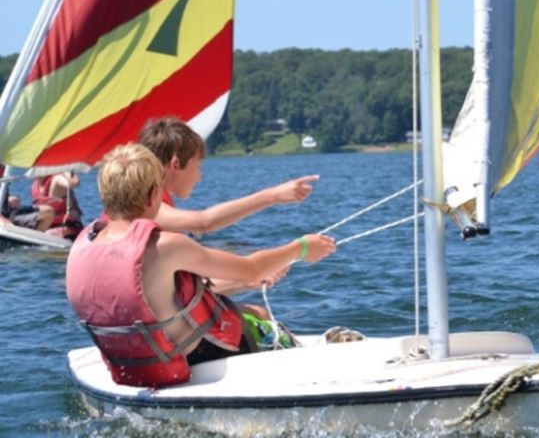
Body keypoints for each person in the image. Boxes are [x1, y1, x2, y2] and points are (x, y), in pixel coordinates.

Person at [66, 143, 336, 389]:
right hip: (196, 355)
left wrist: (250, 280)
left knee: (249, 310)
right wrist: (301, 248)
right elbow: (252, 268)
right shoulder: (165, 246)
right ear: (152, 196)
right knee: (258, 319)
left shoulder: (83, 244)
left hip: (132, 363)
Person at [137, 118, 318, 234]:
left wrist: (250, 278)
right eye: (198, 166)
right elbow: (204, 222)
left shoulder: (149, 198)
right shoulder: (147, 206)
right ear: (176, 164)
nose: (199, 177)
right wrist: (273, 196)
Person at [0, 165, 55, 231]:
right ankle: (26, 239)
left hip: (8, 212)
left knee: (48, 211)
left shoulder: (5, 169)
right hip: (5, 217)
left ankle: (33, 238)